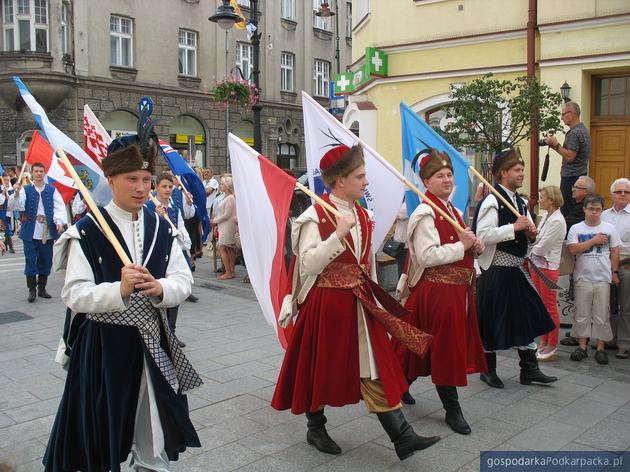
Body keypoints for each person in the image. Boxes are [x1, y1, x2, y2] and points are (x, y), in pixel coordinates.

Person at [43, 116, 202, 471]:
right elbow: (75, 294)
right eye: (132, 179)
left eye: (146, 179)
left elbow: (183, 279)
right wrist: (120, 289)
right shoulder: (86, 231)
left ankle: (148, 463)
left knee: (153, 422)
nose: (141, 187)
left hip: (154, 342)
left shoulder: (163, 226)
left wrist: (161, 288)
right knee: (104, 429)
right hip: (104, 346)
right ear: (111, 180)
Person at [272, 144, 439, 461]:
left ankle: (402, 436)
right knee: (319, 365)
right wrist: (336, 236)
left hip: (361, 303)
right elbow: (307, 264)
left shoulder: (364, 214)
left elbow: (366, 262)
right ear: (339, 180)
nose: (365, 182)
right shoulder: (312, 216)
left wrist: (377, 292)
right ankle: (315, 426)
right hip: (327, 305)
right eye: (360, 176)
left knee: (373, 366)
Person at [393, 149, 486, 435]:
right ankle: (452, 410)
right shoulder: (423, 212)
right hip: (436, 293)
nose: (446, 179)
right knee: (442, 350)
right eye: (439, 176)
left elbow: (462, 246)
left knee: (417, 346)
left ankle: (396, 389)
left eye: (449, 174)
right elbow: (427, 256)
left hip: (456, 293)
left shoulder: (453, 210)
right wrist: (463, 246)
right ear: (426, 182)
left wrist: (475, 246)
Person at [472, 147, 557, 389]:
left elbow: (526, 234)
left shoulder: (519, 201)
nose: (521, 174)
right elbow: (483, 235)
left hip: (517, 270)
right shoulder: (492, 200)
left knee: (527, 316)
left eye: (522, 169)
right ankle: (488, 370)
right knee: (492, 319)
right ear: (503, 173)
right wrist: (515, 228)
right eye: (517, 170)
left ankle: (529, 369)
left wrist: (530, 234)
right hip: (497, 271)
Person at [567, 194, 620, 365]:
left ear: (601, 211)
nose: (594, 212)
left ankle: (600, 347)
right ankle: (582, 345)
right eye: (591, 209)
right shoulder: (576, 228)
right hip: (583, 277)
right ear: (584, 209)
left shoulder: (610, 228)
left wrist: (615, 272)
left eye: (598, 209)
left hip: (603, 277)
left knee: (601, 314)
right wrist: (594, 240)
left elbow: (614, 251)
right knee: (582, 312)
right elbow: (573, 249)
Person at [146, 172, 193, 348]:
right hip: (158, 255)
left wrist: (185, 243)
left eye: (170, 186)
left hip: (176, 253)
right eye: (164, 186)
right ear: (156, 187)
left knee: (175, 293)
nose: (167, 189)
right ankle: (159, 332)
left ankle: (171, 333)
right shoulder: (149, 207)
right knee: (159, 294)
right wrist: (156, 217)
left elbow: (181, 227)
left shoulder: (174, 208)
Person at [8, 162, 67, 302]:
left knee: (46, 260)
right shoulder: (25, 189)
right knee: (30, 260)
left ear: (44, 173)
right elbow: (16, 205)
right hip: (30, 230)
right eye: (36, 171)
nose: (39, 173)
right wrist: (15, 194)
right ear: (32, 173)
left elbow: (59, 207)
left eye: (41, 171)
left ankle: (42, 288)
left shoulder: (52, 190)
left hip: (47, 230)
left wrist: (59, 222)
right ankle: (32, 290)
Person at [529, 186, 567, 361]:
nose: (540, 200)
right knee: (541, 305)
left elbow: (543, 246)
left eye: (542, 197)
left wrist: (529, 250)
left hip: (547, 267)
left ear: (551, 200)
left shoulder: (558, 221)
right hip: (537, 265)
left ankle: (552, 344)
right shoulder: (546, 217)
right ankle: (544, 340)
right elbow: (537, 238)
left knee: (550, 307)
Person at [545, 101, 591, 217]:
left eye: (563, 114)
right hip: (580, 176)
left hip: (571, 178)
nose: (561, 117)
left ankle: (568, 234)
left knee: (568, 212)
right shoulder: (584, 130)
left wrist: (556, 145)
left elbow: (570, 156)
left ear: (571, 113)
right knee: (578, 209)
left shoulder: (574, 133)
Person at [602, 178, 630, 359]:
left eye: (626, 192)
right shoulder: (603, 215)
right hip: (604, 265)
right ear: (612, 194)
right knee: (607, 304)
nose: (622, 194)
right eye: (619, 191)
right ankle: (610, 338)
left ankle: (624, 343)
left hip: (627, 264)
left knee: (626, 306)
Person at [212, 175, 237, 280]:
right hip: (224, 225)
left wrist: (215, 220)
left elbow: (227, 214)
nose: (220, 185)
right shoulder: (227, 197)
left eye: (222, 184)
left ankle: (228, 271)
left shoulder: (230, 198)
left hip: (227, 225)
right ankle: (231, 271)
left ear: (227, 186)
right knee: (228, 249)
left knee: (223, 247)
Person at [392, 199, 409, 278]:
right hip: (401, 243)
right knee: (402, 267)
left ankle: (401, 288)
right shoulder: (404, 204)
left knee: (403, 269)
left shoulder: (407, 204)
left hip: (404, 244)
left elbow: (398, 215)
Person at [1, 175, 15, 253]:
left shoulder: (11, 189)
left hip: (11, 212)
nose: (7, 181)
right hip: (3, 212)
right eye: (5, 179)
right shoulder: (1, 189)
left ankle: (5, 243)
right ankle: (11, 246)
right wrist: (3, 193)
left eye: (8, 180)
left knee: (11, 230)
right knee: (8, 229)